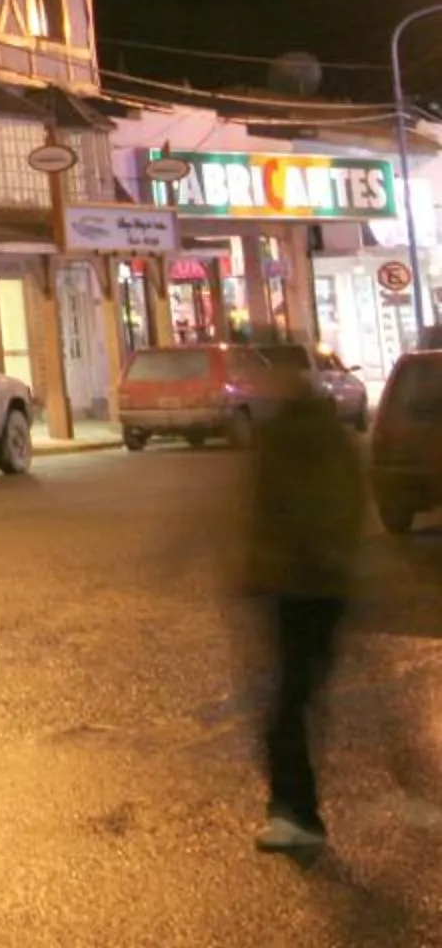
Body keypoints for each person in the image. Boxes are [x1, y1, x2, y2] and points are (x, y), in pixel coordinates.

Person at [242, 350, 365, 853]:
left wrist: (311, 562)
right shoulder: (292, 434)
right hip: (295, 585)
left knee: (288, 706)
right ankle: (294, 807)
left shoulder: (306, 438)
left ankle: (298, 813)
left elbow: (325, 510)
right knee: (293, 700)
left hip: (307, 588)